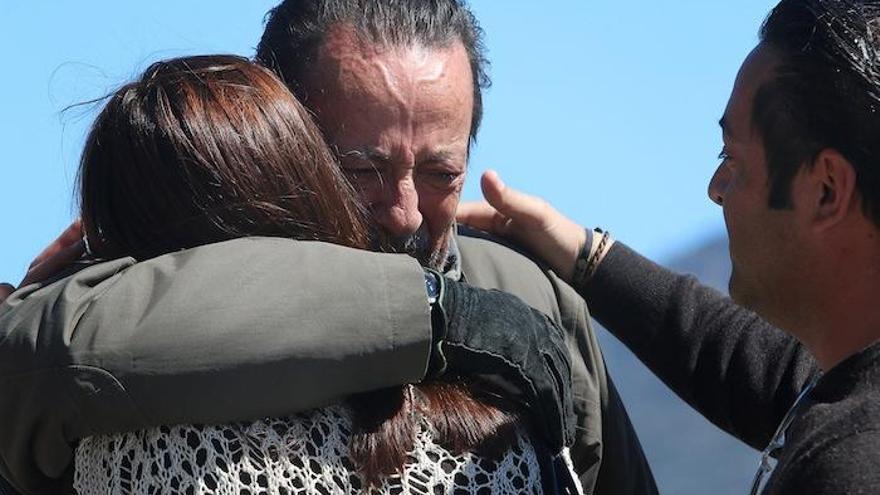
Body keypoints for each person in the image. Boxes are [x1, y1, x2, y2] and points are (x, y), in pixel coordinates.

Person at [0, 1, 654, 494]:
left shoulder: (532, 297)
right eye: (362, 168)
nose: (403, 212)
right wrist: (444, 316)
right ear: (281, 141)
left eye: (439, 174)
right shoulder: (131, 309)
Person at [456, 0, 880, 493]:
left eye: (733, 158)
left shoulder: (854, 462)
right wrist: (584, 255)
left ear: (825, 190)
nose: (716, 187)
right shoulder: (845, 389)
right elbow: (745, 363)